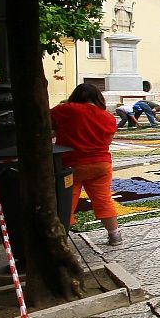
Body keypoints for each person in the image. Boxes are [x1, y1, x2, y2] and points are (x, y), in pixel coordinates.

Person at [50, 83, 121, 245]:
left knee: (66, 202)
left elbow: (45, 120)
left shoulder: (67, 109)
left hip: (71, 165)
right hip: (101, 164)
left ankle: (61, 240)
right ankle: (114, 235)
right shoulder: (108, 117)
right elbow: (107, 141)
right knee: (103, 199)